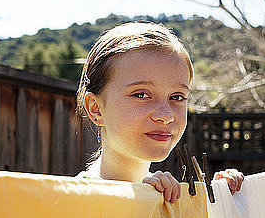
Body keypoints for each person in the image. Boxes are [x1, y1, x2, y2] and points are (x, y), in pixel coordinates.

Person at [76, 21, 243, 202]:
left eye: (177, 97)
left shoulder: (163, 193)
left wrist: (218, 202)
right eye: (140, 95)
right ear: (96, 108)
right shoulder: (73, 202)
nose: (166, 115)